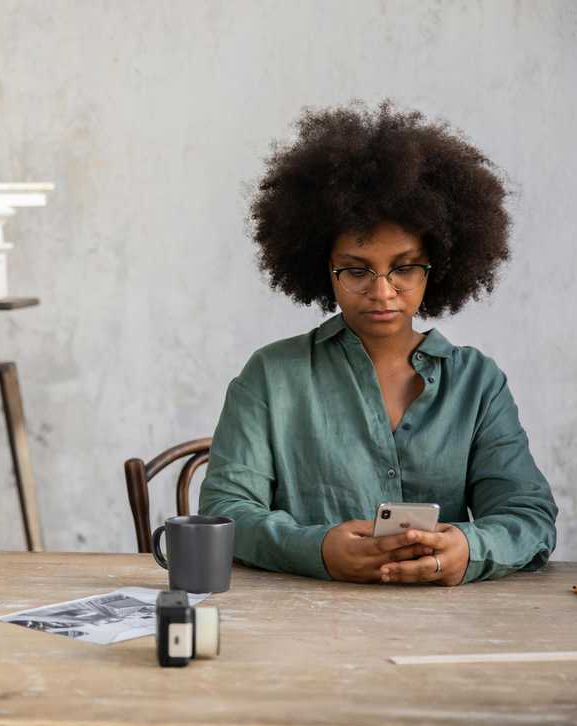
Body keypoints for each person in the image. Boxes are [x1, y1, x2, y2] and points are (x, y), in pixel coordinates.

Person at [198, 102, 557, 586]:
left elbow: (528, 515)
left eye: (405, 267)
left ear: (440, 265)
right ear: (324, 269)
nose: (383, 292)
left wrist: (468, 549)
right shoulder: (271, 375)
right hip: (299, 625)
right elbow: (225, 511)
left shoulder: (477, 383)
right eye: (357, 269)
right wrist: (317, 549)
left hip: (447, 628)